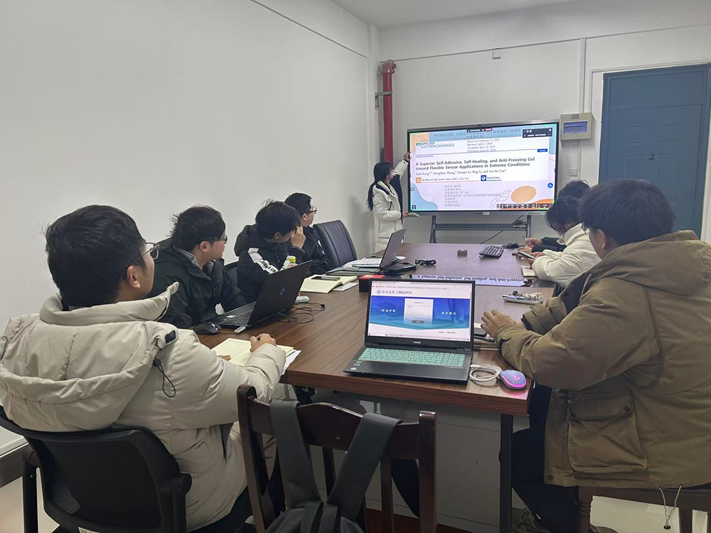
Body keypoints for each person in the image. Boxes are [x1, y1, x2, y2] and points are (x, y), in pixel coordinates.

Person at [0, 205, 286, 532]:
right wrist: (267, 352)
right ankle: (273, 520)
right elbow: (252, 392)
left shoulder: (18, 341)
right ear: (133, 276)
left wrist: (204, 371)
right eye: (148, 251)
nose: (154, 257)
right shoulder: (168, 352)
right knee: (267, 417)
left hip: (87, 499)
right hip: (184, 506)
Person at [481, 180, 711, 533]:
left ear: (601, 237)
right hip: (687, 420)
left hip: (667, 444)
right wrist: (528, 322)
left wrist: (506, 333)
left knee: (519, 454)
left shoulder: (628, 293)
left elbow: (552, 363)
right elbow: (573, 299)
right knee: (541, 400)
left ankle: (566, 525)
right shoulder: (670, 263)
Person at [147, 205, 244, 328]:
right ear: (205, 246)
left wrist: (248, 319)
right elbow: (176, 328)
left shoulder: (213, 263)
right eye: (223, 238)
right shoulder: (167, 276)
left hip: (211, 329)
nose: (225, 243)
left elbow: (235, 301)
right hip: (189, 335)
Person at [234, 201, 305, 303]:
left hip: (278, 301)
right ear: (277, 235)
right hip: (257, 307)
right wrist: (296, 249)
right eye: (292, 231)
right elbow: (279, 281)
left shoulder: (275, 243)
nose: (293, 234)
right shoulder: (251, 254)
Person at [525, 195, 599, 288]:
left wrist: (537, 260)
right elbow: (570, 257)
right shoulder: (586, 235)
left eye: (555, 225)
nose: (557, 231)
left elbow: (551, 272)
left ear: (568, 223)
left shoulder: (581, 246)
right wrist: (547, 254)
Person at [526, 180, 590, 253]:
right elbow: (566, 242)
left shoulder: (588, 227)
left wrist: (536, 249)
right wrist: (543, 242)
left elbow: (567, 250)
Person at [368, 153, 410, 252]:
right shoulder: (379, 192)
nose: (393, 172)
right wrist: (399, 215)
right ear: (387, 175)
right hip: (385, 238)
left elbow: (398, 172)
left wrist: (405, 161)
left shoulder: (389, 186)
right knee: (386, 260)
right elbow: (382, 214)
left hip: (394, 234)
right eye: (391, 171)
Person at [285, 193, 332, 274]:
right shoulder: (288, 237)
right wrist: (297, 247)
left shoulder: (310, 231)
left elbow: (323, 259)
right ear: (304, 216)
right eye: (312, 211)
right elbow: (295, 270)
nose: (313, 213)